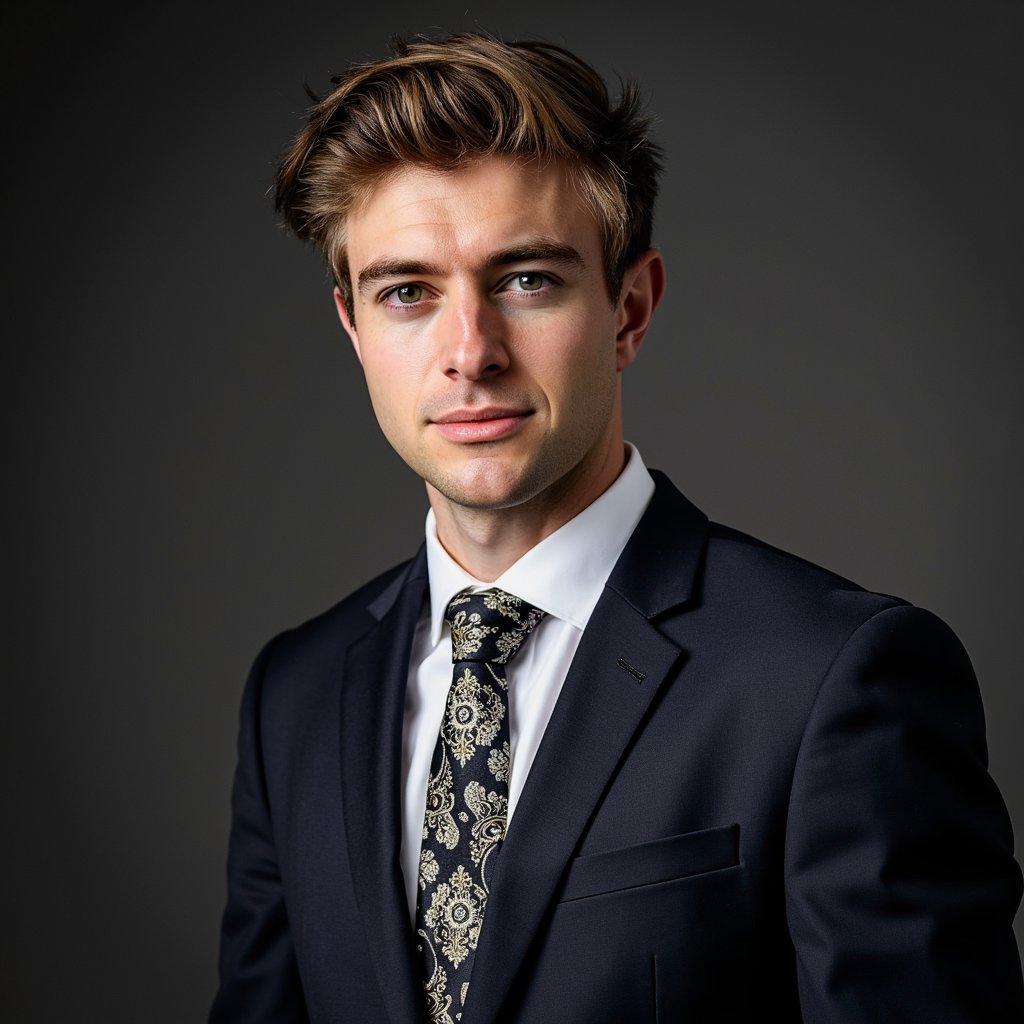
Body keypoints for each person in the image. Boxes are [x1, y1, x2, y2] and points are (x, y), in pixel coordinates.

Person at [210, 32, 1023, 1023]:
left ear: (629, 308)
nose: (470, 353)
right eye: (408, 292)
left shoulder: (833, 678)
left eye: (527, 281)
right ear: (354, 328)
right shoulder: (294, 694)